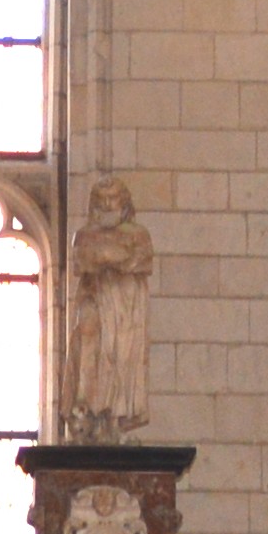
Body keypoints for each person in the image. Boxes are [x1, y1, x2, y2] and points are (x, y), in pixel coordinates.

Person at [61, 176, 155, 441]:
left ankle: (114, 419)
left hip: (127, 307)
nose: (107, 205)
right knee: (88, 341)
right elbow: (84, 262)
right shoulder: (85, 234)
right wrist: (114, 256)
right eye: (101, 201)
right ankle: (86, 411)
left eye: (113, 199)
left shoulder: (138, 233)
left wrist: (109, 257)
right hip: (95, 298)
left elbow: (141, 261)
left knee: (121, 356)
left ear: (124, 203)